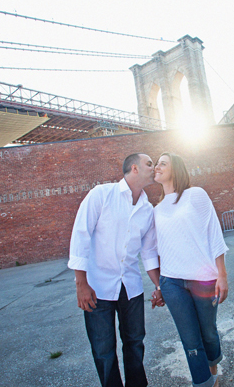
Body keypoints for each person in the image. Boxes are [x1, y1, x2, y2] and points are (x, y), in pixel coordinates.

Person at [68, 153, 163, 387]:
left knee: (135, 343)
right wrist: (81, 283)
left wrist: (160, 285)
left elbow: (149, 252)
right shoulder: (101, 194)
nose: (154, 168)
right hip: (97, 287)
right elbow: (81, 234)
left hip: (130, 287)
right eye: (149, 164)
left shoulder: (147, 209)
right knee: (103, 349)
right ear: (134, 168)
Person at [153, 152, 229, 387]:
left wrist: (222, 274)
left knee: (207, 332)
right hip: (172, 282)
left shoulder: (195, 195)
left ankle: (213, 368)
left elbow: (213, 232)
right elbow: (155, 250)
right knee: (190, 341)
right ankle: (206, 383)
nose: (157, 167)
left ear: (175, 169)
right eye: (156, 164)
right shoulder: (156, 208)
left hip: (203, 278)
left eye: (162, 163)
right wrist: (158, 285)